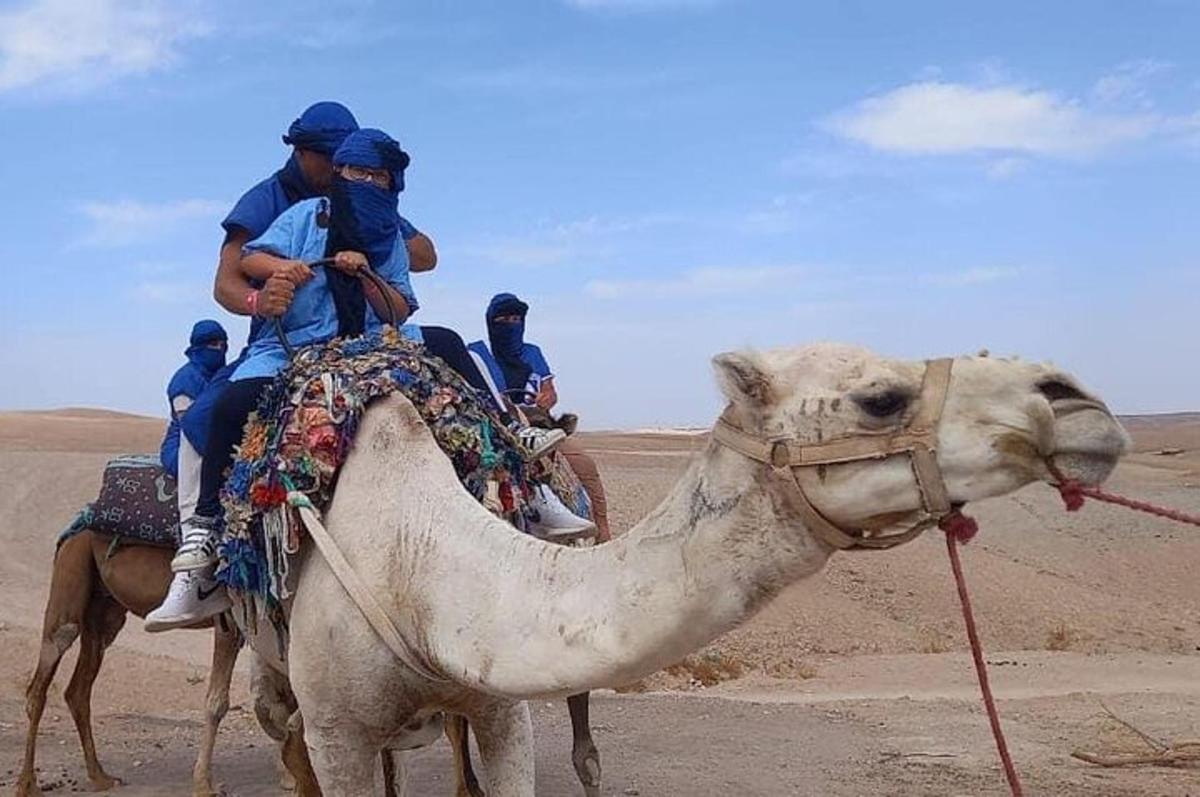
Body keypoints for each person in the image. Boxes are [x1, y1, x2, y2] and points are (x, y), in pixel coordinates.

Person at [173, 129, 587, 577]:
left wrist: (369, 276)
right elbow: (248, 259)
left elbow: (399, 308)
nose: (365, 183)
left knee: (447, 343)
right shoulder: (303, 215)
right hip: (296, 346)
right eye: (355, 172)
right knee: (231, 404)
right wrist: (281, 270)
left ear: (392, 184)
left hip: (374, 342)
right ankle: (205, 533)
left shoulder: (389, 235)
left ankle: (521, 467)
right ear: (337, 172)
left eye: (377, 176)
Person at [468, 293, 612, 541]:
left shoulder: (533, 353)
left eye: (516, 318)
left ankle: (602, 529)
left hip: (539, 427)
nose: (511, 324)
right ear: (491, 322)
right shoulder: (479, 357)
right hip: (496, 428)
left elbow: (550, 391)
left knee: (583, 463)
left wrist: (545, 399)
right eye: (503, 319)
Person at [158, 320, 228, 519]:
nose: (219, 349)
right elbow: (190, 424)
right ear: (197, 347)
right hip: (185, 444)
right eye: (212, 344)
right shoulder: (184, 380)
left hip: (215, 441)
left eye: (222, 345)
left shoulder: (221, 377)